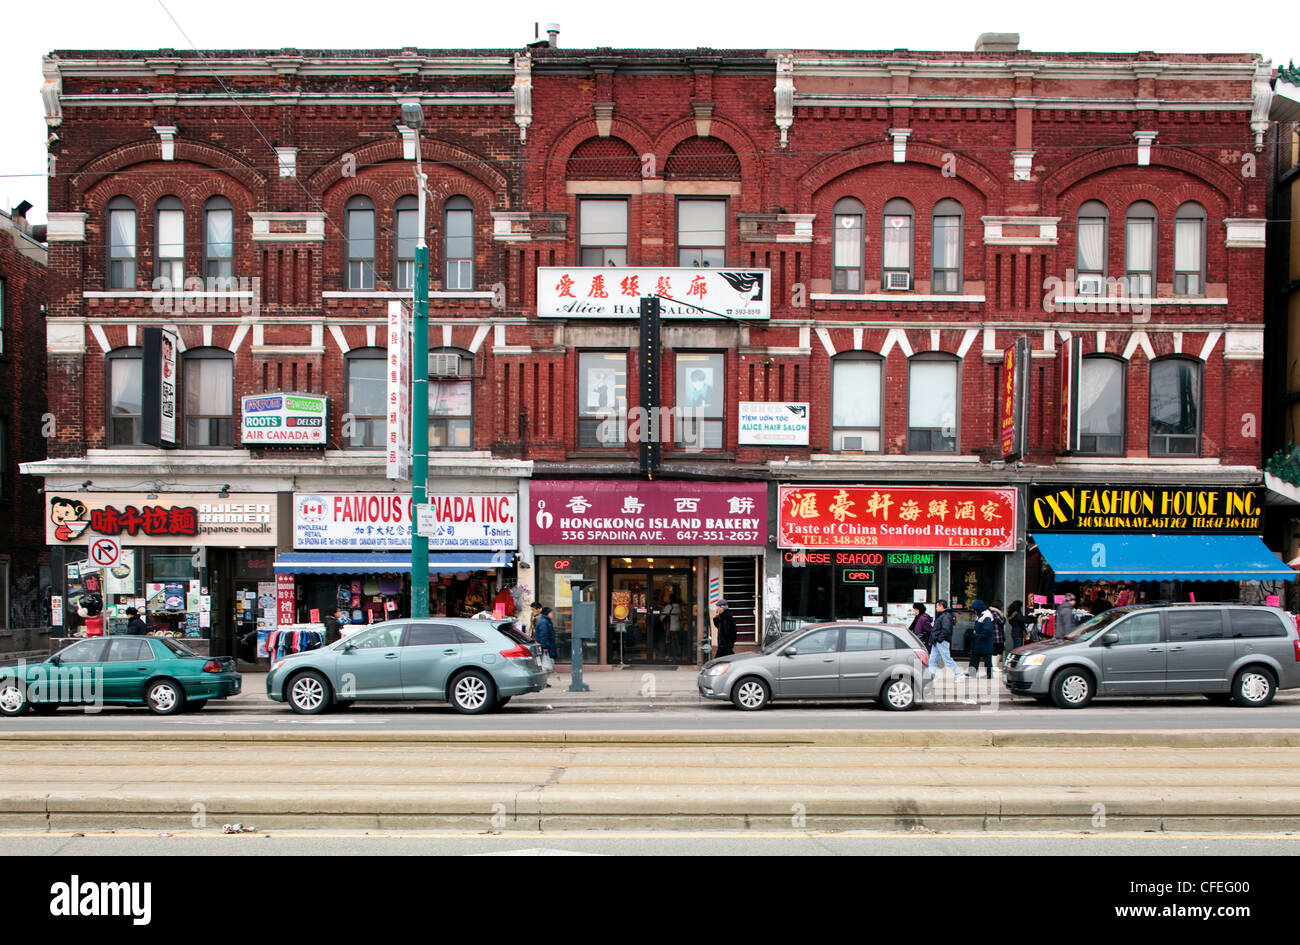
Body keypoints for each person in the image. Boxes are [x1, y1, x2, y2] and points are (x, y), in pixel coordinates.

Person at [928, 600, 964, 680]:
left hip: (941, 641)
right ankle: (932, 676)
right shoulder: (943, 615)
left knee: (947, 659)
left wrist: (939, 638)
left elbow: (946, 629)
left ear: (941, 606)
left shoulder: (945, 615)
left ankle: (959, 674)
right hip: (937, 641)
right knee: (932, 659)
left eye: (937, 606)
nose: (936, 608)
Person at [968, 599, 995, 679]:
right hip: (979, 641)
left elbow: (988, 629)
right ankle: (972, 672)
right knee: (975, 657)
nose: (974, 611)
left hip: (984, 642)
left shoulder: (986, 615)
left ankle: (989, 674)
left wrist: (979, 636)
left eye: (975, 609)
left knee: (987, 659)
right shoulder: (981, 614)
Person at [988, 599, 1007, 664]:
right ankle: (994, 665)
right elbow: (1001, 621)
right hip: (997, 635)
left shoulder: (991, 612)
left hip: (994, 635)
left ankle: (995, 665)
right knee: (997, 650)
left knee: (997, 650)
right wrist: (1004, 618)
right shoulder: (996, 613)